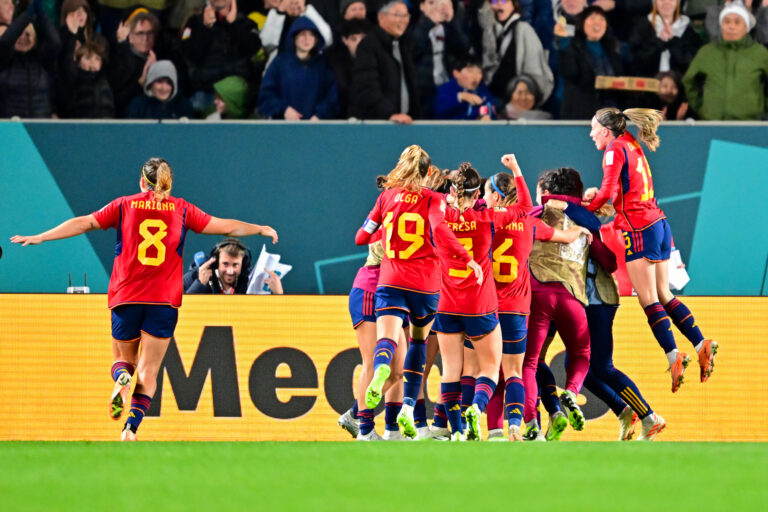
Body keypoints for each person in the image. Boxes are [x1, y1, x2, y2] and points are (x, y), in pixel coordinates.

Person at [10, 157, 278, 441]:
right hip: (163, 301)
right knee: (149, 370)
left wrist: (42, 236)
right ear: (168, 183)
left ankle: (121, 378)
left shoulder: (125, 205)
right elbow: (227, 228)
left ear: (141, 181)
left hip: (126, 296)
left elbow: (84, 223)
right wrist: (258, 227)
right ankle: (130, 429)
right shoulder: (182, 209)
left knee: (123, 361)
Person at [583, 107, 718, 393]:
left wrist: (588, 207)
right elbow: (624, 189)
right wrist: (603, 199)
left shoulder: (612, 150)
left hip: (639, 229)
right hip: (658, 223)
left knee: (648, 299)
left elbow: (609, 191)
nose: (591, 133)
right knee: (664, 294)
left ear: (606, 131)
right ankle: (700, 342)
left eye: (593, 128)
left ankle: (674, 356)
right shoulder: (630, 142)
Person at [354, 145, 479, 440]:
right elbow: (443, 233)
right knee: (418, 343)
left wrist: (386, 229)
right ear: (426, 173)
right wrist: (466, 258)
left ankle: (382, 368)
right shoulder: (434, 200)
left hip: (390, 280)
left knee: (386, 341)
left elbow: (361, 237)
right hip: (424, 285)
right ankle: (409, 409)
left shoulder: (385, 197)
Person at [432, 157, 535, 441]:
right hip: (480, 304)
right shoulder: (486, 218)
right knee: (491, 368)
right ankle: (477, 408)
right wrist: (516, 169)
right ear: (478, 195)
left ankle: (458, 431)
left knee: (452, 369)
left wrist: (448, 199)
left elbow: (436, 206)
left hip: (446, 303)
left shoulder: (440, 216)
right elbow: (525, 207)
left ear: (452, 192)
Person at [482, 170, 590, 440]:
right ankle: (526, 426)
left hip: (486, 307)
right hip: (520, 308)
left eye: (486, 193)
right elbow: (564, 236)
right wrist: (579, 228)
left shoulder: (483, 219)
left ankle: (486, 428)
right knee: (521, 369)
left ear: (495, 196)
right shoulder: (529, 223)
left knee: (486, 372)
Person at [683, 1, 768, 120]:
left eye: (737, 22)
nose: (731, 26)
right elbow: (690, 81)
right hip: (713, 124)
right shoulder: (707, 52)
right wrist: (702, 108)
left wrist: (762, 109)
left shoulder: (760, 53)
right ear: (721, 25)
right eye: (726, 21)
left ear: (746, 27)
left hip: (750, 125)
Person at [181, 0, 262, 109]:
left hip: (236, 90)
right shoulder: (194, 22)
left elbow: (253, 48)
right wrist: (205, 28)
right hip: (205, 89)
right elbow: (189, 54)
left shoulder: (245, 22)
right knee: (197, 103)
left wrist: (234, 24)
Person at [349, 0, 420, 123]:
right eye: (398, 15)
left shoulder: (404, 44)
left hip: (405, 122)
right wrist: (390, 114)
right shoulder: (368, 45)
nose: (403, 20)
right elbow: (367, 87)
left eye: (406, 15)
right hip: (379, 125)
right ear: (381, 17)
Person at [257, 16, 339, 120]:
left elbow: (332, 97)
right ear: (293, 37)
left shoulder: (323, 65)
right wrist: (284, 110)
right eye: (302, 34)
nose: (307, 39)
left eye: (311, 35)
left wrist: (319, 115)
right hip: (284, 128)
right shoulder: (280, 63)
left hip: (316, 128)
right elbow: (266, 95)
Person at [480, 0, 554, 109]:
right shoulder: (488, 32)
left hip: (518, 104)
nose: (499, 4)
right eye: (495, 1)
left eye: (504, 1)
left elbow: (536, 73)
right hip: (491, 100)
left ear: (514, 5)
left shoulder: (524, 30)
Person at [558, 6, 624, 120]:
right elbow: (570, 73)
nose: (597, 23)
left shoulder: (613, 49)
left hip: (612, 117)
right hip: (583, 115)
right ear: (582, 23)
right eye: (592, 18)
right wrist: (564, 44)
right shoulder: (571, 48)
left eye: (601, 19)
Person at [0, 0, 61, 118]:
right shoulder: (5, 60)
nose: (23, 38)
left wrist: (41, 16)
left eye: (27, 35)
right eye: (19, 35)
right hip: (12, 127)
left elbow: (55, 43)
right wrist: (27, 15)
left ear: (35, 40)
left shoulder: (43, 61)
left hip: (39, 125)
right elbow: (5, 41)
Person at [411, 0, 471, 118]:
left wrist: (452, 22)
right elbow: (413, 50)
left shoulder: (449, 28)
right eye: (432, 3)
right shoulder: (412, 25)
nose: (437, 8)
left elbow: (463, 50)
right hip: (422, 90)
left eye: (444, 3)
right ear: (422, 6)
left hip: (446, 86)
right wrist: (429, 23)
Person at [628, 0, 702, 78]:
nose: (666, 2)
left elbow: (692, 65)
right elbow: (637, 63)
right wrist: (659, 42)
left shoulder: (688, 31)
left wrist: (672, 41)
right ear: (654, 2)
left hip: (681, 86)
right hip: (649, 85)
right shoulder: (642, 28)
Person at [108, 10, 161, 116]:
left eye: (150, 33)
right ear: (131, 37)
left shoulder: (161, 58)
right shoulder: (120, 60)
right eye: (140, 33)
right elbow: (117, 101)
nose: (146, 38)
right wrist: (140, 84)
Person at [326, 18, 371, 118]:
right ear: (345, 40)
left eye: (363, 38)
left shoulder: (377, 61)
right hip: (339, 119)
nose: (359, 43)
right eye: (354, 39)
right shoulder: (333, 62)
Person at [58, 41, 115, 118]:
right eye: (88, 58)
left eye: (97, 58)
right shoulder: (72, 79)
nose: (93, 62)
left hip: (105, 126)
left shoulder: (107, 80)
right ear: (78, 62)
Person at [433, 53, 496, 120]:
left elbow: (491, 113)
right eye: (470, 71)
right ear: (456, 73)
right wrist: (460, 97)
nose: (475, 76)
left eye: (479, 72)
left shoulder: (484, 93)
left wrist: (486, 118)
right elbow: (439, 111)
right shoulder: (446, 90)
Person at [125, 60, 193, 119]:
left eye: (169, 83)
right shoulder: (137, 105)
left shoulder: (183, 105)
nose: (164, 88)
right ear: (150, 83)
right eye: (159, 81)